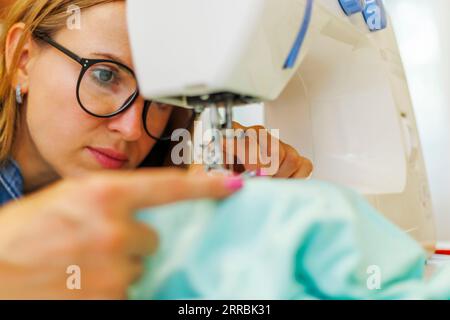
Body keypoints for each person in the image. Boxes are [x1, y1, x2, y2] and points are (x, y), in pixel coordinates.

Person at [0, 0, 313, 299]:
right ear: (23, 58)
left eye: (160, 101)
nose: (132, 128)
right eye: (105, 75)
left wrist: (197, 226)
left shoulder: (145, 222)